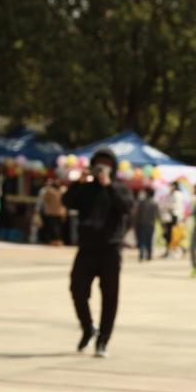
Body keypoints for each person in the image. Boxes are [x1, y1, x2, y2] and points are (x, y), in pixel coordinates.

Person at [64, 147, 133, 358]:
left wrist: (108, 185)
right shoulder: (85, 188)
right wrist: (78, 182)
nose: (102, 167)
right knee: (77, 289)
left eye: (107, 164)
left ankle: (103, 339)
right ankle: (88, 328)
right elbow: (67, 202)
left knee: (110, 296)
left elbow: (127, 207)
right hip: (87, 247)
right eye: (99, 163)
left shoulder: (119, 187)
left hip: (111, 249)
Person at [39, 177, 67, 245]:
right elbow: (45, 199)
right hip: (54, 212)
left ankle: (57, 240)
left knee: (56, 227)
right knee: (53, 227)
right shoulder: (54, 190)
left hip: (56, 212)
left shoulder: (61, 190)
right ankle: (55, 240)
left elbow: (46, 199)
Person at [133, 188, 159, 262]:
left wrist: (135, 223)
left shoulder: (142, 203)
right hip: (151, 224)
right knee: (149, 240)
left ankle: (142, 255)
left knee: (142, 240)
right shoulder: (154, 203)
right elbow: (158, 215)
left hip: (141, 224)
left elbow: (137, 214)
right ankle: (149, 255)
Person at [164, 180, 187, 259]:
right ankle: (170, 251)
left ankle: (176, 251)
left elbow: (177, 206)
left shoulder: (177, 194)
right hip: (171, 216)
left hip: (176, 216)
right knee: (169, 235)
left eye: (171, 186)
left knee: (175, 235)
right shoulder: (171, 194)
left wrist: (168, 206)